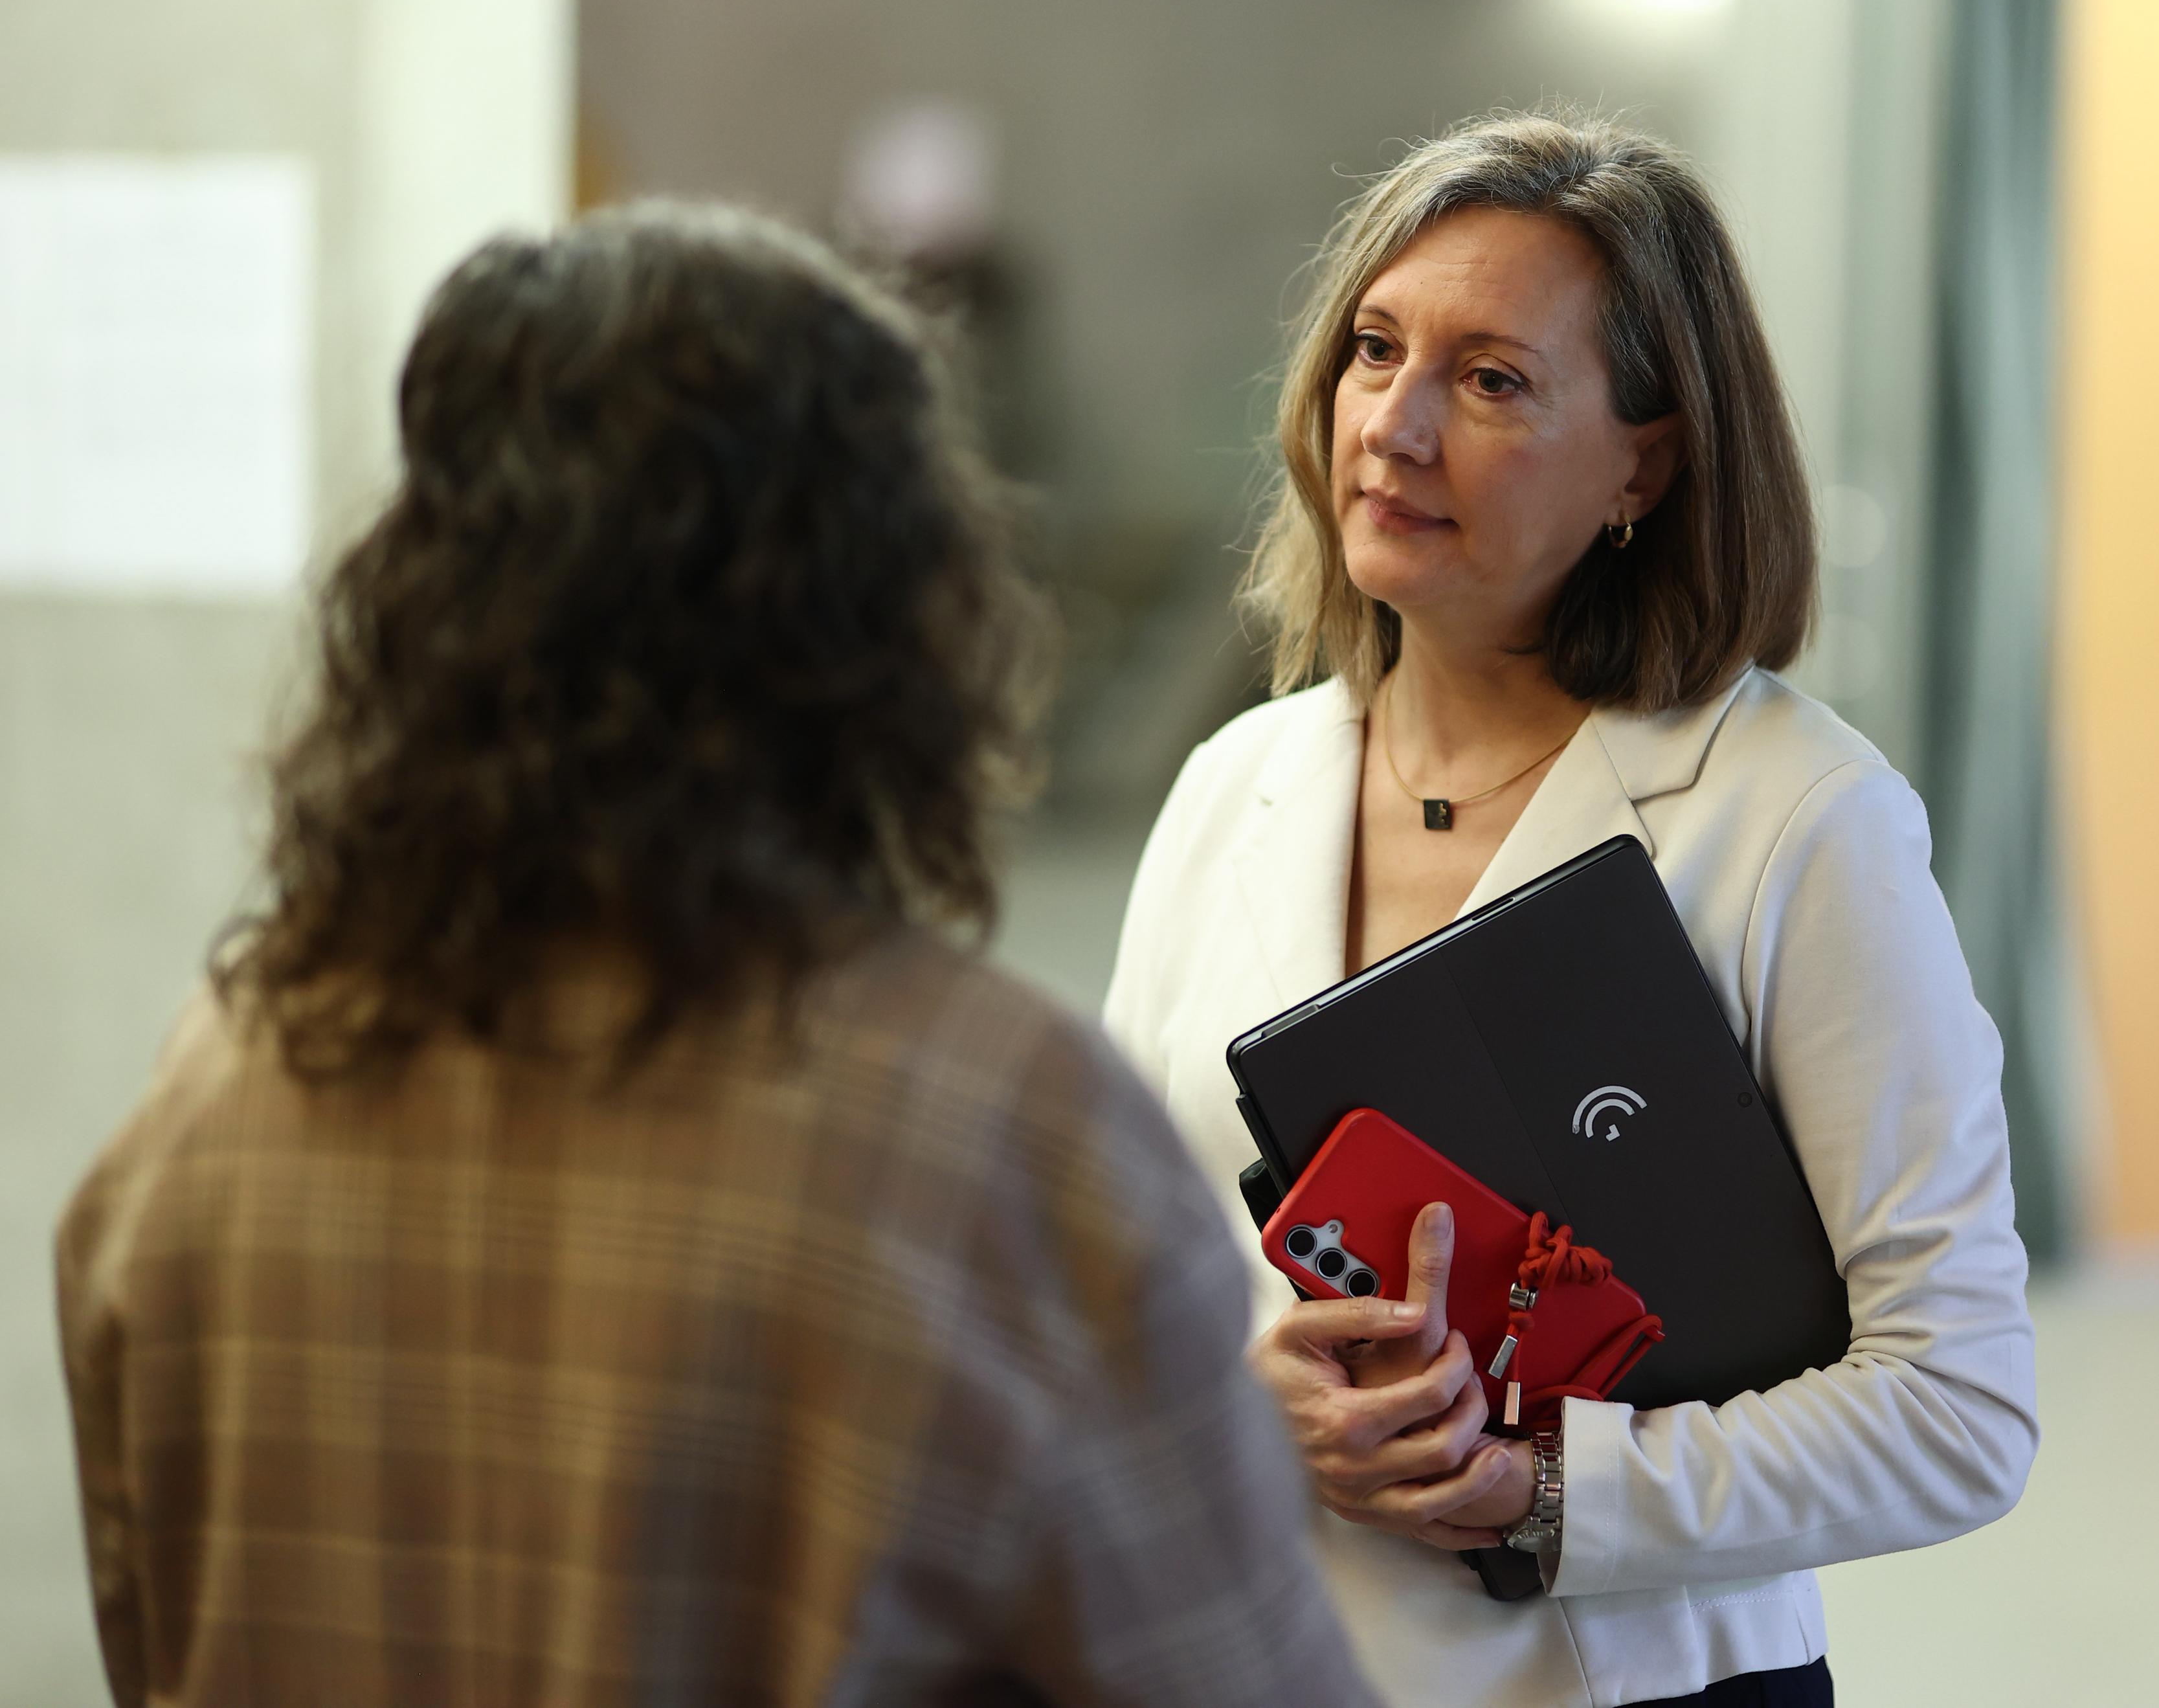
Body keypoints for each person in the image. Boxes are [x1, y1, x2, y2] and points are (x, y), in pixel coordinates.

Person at [55, 203, 1380, 1708]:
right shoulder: (995, 1130)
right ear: (884, 619)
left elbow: (151, 1639)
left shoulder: (218, 1095)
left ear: (416, 612)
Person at [1102, 111, 2040, 1705]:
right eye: (1375, 351)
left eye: (1489, 381)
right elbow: (1121, 1292)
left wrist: (1543, 1494)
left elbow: (1957, 1406)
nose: (1393, 427)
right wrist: (1244, 1405)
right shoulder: (1233, 785)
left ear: (1643, 465)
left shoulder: (1795, 817)